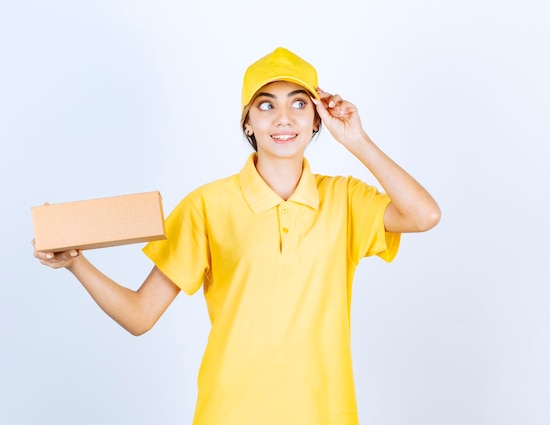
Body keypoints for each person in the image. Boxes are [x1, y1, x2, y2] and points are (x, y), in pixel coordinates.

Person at [33, 47, 441, 425]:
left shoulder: (345, 199)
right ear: (248, 120)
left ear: (317, 118)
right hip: (231, 412)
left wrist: (357, 140)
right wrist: (76, 263)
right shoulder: (207, 205)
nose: (284, 118)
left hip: (325, 412)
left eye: (299, 103)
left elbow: (424, 215)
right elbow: (140, 316)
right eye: (267, 105)